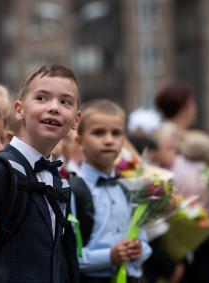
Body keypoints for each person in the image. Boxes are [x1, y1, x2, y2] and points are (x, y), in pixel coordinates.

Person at [0, 64, 81, 283]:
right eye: (42, 98)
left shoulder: (60, 182)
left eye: (65, 102)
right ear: (19, 110)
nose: (54, 107)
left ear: (76, 119)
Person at [74, 99, 151, 283]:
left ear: (123, 141)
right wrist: (109, 256)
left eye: (116, 133)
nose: (109, 140)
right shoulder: (72, 189)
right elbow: (66, 254)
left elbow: (145, 241)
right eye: (98, 133)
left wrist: (139, 249)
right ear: (79, 141)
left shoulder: (130, 187)